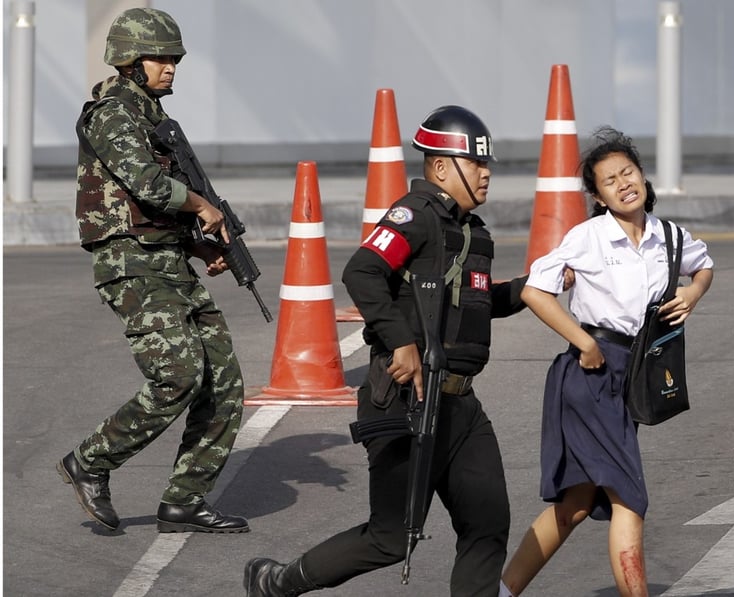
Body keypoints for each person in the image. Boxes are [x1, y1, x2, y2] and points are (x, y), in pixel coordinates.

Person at [243, 105, 529, 596]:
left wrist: (539, 287)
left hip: (461, 405)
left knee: (487, 525)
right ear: (440, 168)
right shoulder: (413, 216)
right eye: (476, 164)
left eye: (489, 165)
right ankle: (280, 582)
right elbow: (361, 271)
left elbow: (483, 304)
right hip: (406, 399)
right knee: (392, 537)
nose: (486, 174)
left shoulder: (472, 232)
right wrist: (401, 341)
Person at [56, 7, 249, 534]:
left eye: (174, 57)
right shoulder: (113, 112)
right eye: (159, 56)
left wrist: (199, 244)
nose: (170, 67)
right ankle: (90, 461)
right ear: (129, 60)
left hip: (166, 261)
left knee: (224, 381)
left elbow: (157, 208)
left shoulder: (154, 117)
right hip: (131, 265)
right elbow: (147, 185)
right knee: (180, 375)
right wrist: (201, 208)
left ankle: (185, 499)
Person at [500, 127, 714, 597]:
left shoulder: (669, 237)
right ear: (597, 196)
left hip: (633, 373)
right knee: (629, 497)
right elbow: (536, 291)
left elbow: (704, 264)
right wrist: (583, 341)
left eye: (628, 172)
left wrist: (692, 292)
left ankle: (502, 591)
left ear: (642, 176)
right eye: (609, 180)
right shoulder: (588, 238)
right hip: (590, 373)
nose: (623, 183)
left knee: (576, 502)